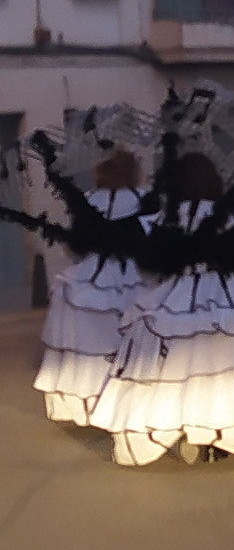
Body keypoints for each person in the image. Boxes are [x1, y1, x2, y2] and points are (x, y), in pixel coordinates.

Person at [90, 143, 234, 466]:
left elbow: (153, 261)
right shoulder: (223, 216)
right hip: (223, 292)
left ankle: (184, 432)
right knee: (225, 363)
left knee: (178, 366)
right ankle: (222, 434)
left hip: (176, 293)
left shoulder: (167, 218)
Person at [28, 142, 147, 427]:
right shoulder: (146, 199)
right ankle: (133, 403)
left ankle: (92, 403)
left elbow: (76, 246)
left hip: (92, 274)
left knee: (89, 343)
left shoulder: (89, 201)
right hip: (137, 272)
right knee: (135, 339)